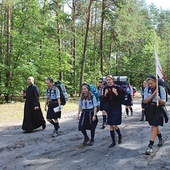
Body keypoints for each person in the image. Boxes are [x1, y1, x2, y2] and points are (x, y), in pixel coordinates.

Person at [144, 75, 166, 155]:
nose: (150, 85)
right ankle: (160, 138)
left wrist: (159, 99)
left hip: (158, 108)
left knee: (154, 126)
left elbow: (164, 102)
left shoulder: (161, 89)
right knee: (154, 126)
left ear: (155, 82)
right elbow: (145, 101)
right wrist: (153, 94)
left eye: (151, 83)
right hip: (150, 108)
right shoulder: (147, 89)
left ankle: (150, 146)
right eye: (149, 83)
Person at [103, 75, 123, 148]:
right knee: (111, 125)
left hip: (116, 107)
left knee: (114, 125)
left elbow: (122, 99)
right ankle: (113, 142)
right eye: (107, 80)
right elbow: (104, 100)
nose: (108, 81)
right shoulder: (105, 88)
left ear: (112, 80)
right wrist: (105, 94)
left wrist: (116, 93)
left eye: (109, 79)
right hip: (110, 107)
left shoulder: (117, 87)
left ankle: (119, 134)